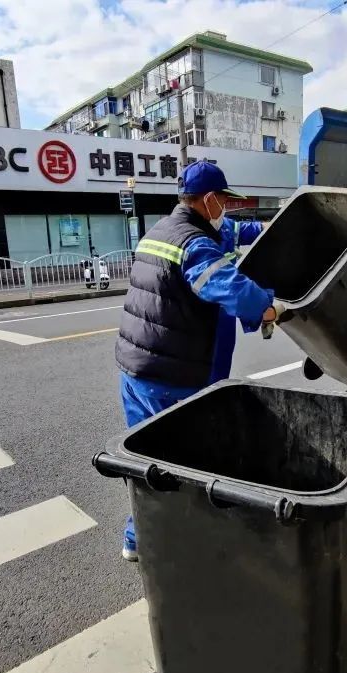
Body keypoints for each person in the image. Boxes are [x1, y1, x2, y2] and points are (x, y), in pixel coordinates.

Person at [115, 161, 277, 561]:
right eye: (223, 200)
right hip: (173, 376)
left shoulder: (160, 230)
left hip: (135, 369)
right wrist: (270, 308)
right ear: (208, 200)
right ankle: (196, 547)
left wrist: (274, 227)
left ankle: (136, 540)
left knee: (145, 460)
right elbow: (231, 289)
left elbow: (241, 231)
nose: (227, 208)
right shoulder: (194, 244)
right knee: (190, 460)